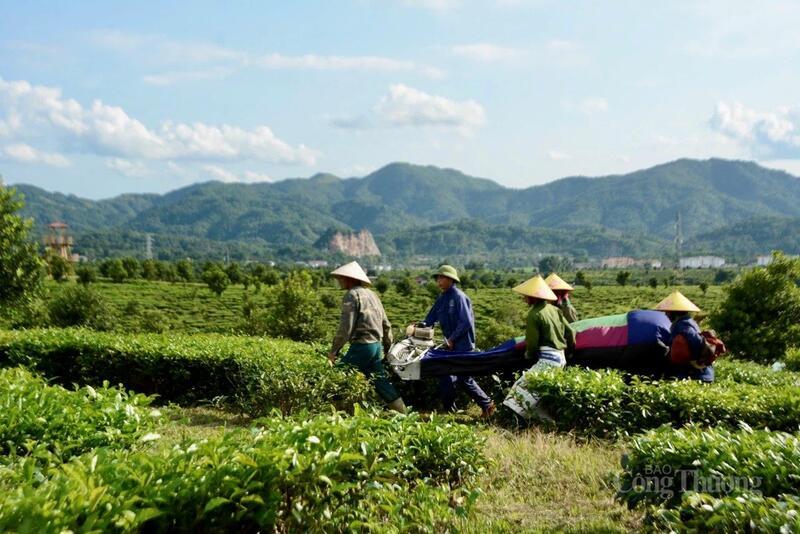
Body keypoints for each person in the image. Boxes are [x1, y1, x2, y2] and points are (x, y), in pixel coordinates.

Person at [328, 261, 407, 413]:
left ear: (350, 279)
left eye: (341, 278)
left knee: (337, 376)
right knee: (381, 382)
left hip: (362, 346)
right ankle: (404, 413)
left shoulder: (351, 295)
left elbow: (345, 328)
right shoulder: (373, 295)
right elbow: (386, 324)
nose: (339, 281)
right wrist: (387, 348)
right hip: (376, 347)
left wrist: (334, 351)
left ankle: (334, 412)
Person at [419, 265, 496, 417]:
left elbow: (465, 322)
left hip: (463, 345)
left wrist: (452, 339)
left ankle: (487, 405)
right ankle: (449, 410)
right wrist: (420, 326)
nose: (438, 281)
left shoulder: (459, 297)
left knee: (463, 378)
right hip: (450, 346)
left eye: (441, 278)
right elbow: (430, 318)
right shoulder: (442, 298)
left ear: (450, 279)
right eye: (437, 278)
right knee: (444, 375)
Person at [503, 275, 576, 418]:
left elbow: (532, 343)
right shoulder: (554, 310)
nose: (524, 298)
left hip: (548, 360)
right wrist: (571, 351)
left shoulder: (534, 314)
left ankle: (526, 421)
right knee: (538, 394)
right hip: (560, 358)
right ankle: (542, 422)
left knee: (520, 390)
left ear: (533, 297)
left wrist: (528, 355)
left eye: (526, 296)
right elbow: (570, 332)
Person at [654, 290, 715, 383]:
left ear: (674, 312)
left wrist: (693, 361)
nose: (666, 314)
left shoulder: (682, 326)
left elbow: (697, 343)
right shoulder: (688, 322)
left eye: (667, 312)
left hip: (694, 377)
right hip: (701, 375)